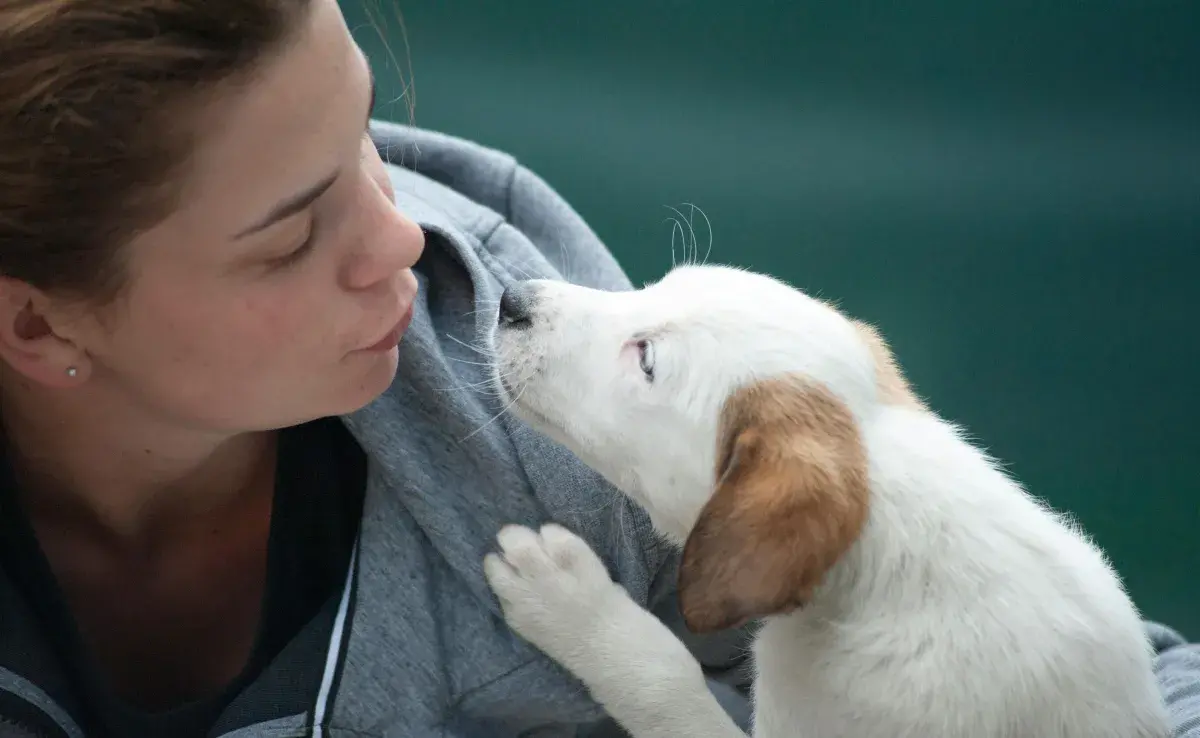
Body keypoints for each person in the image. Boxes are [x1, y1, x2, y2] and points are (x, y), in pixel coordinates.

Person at [0, 1, 1194, 737]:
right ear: (42, 329)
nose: (405, 235)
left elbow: (1101, 687)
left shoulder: (548, 441)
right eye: (293, 234)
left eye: (360, 131)